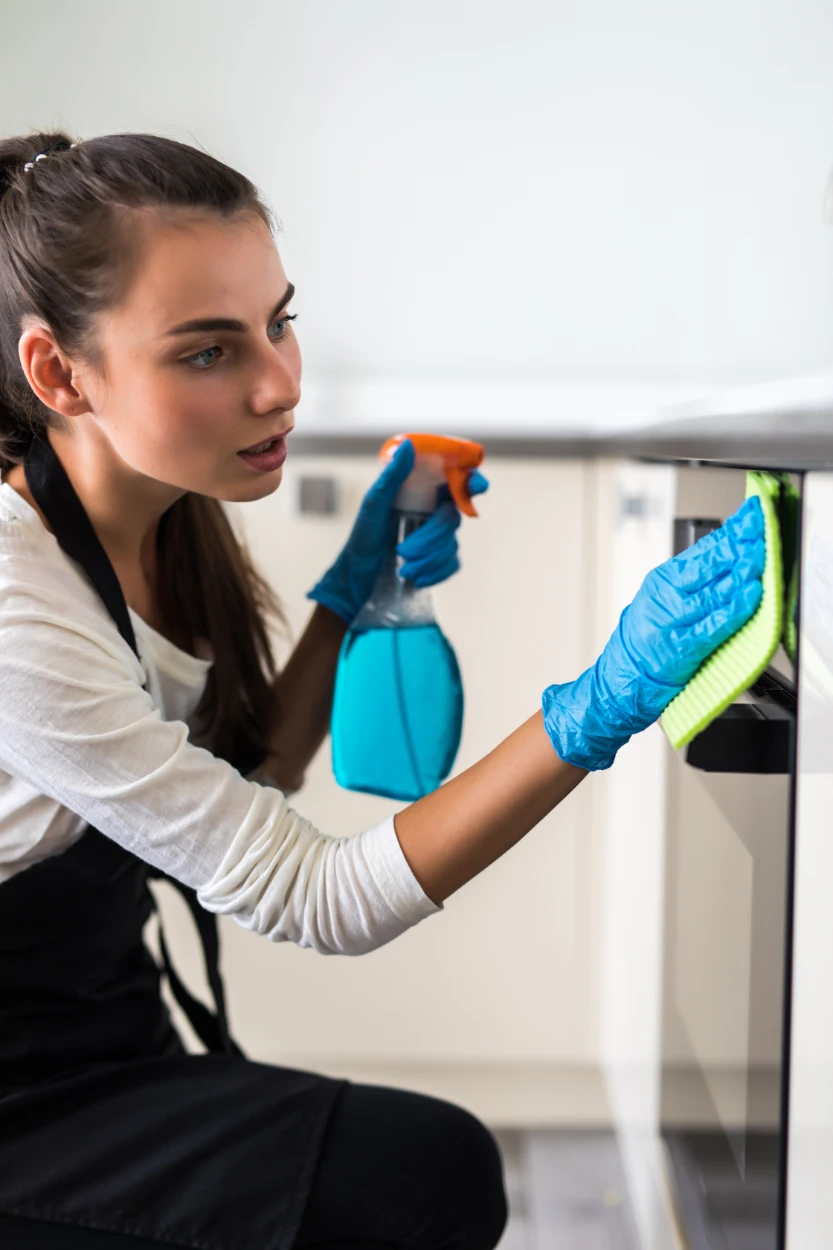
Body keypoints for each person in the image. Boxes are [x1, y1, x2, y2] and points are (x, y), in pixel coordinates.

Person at [0, 132, 765, 1250]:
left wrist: (359, 589)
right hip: (21, 1095)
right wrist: (600, 702)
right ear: (60, 374)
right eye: (208, 351)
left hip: (102, 1021)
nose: (278, 381)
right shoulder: (21, 601)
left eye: (279, 319)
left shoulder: (163, 496)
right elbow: (314, 897)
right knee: (425, 1177)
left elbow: (250, 765)